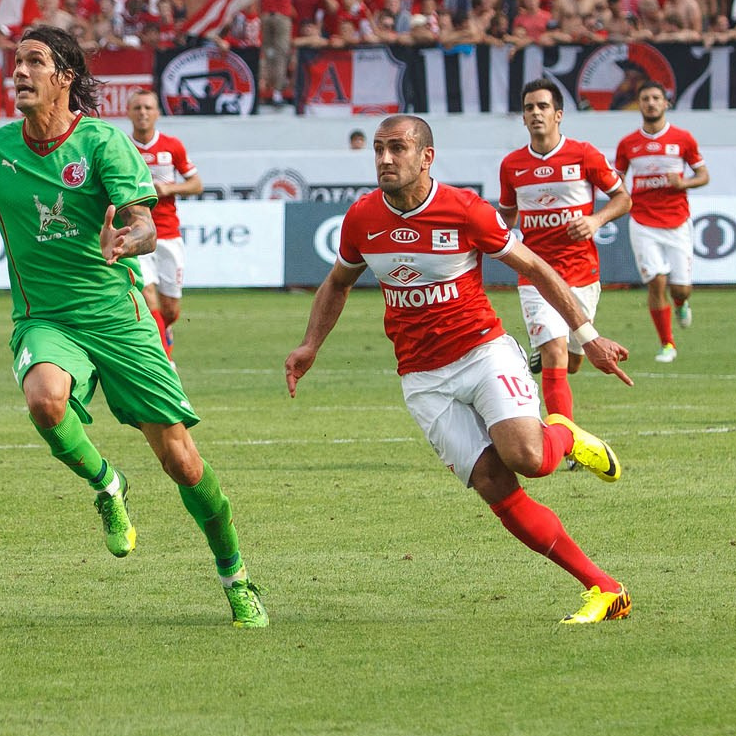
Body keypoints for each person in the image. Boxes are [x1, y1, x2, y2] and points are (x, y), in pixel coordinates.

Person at [0, 26, 269, 628]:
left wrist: (131, 240)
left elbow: (144, 222)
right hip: (46, 318)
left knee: (182, 464)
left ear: (64, 76)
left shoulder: (102, 143)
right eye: (16, 62)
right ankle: (108, 485)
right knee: (44, 398)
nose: (20, 72)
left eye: (35, 62)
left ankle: (236, 576)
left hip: (118, 319)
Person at [284, 115, 635, 624]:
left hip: (482, 353)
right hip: (423, 381)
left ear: (426, 157)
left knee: (530, 458)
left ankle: (564, 434)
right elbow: (337, 282)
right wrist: (310, 343)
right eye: (379, 149)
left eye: (397, 149)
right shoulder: (362, 218)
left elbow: (536, 267)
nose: (385, 158)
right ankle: (604, 588)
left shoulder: (465, 209)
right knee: (495, 484)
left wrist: (589, 337)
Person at [498, 80, 632, 421]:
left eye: (542, 107)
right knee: (556, 355)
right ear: (523, 119)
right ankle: (569, 443)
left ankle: (546, 352)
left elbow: (623, 199)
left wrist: (595, 220)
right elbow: (507, 214)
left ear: (558, 115)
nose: (535, 113)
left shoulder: (584, 154)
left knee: (573, 361)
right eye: (529, 108)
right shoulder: (512, 165)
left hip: (581, 272)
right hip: (535, 275)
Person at [614, 84, 709, 361]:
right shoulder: (628, 143)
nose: (651, 103)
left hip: (677, 220)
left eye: (656, 99)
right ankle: (667, 344)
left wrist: (684, 182)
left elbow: (703, 174)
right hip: (643, 220)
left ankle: (681, 302)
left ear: (666, 103)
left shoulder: (683, 139)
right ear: (639, 104)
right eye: (645, 99)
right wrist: (619, 195)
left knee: (680, 287)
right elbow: (617, 179)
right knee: (656, 282)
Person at [125, 87, 201, 358]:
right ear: (129, 113)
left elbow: (196, 184)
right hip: (136, 234)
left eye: (147, 108)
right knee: (147, 296)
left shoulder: (172, 146)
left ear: (157, 113)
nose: (143, 113)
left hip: (168, 235)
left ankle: (163, 332)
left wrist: (169, 190)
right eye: (137, 108)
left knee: (170, 309)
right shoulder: (121, 148)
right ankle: (165, 362)